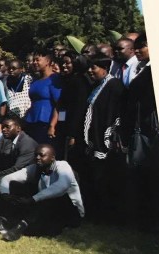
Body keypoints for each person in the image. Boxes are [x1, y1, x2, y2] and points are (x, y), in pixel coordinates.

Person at [0, 144, 83, 242]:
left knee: (50, 198)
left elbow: (61, 187)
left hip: (69, 212)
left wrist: (33, 199)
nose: (37, 158)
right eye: (36, 155)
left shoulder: (63, 166)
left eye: (42, 155)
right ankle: (1, 222)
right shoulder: (35, 168)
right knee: (14, 185)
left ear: (52, 157)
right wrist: (6, 195)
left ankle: (20, 227)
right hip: (43, 207)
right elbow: (7, 179)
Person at [120, 32, 159, 231]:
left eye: (142, 46)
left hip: (150, 128)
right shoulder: (142, 69)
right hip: (140, 128)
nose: (137, 50)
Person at [81, 53, 125, 222]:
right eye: (89, 67)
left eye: (94, 67)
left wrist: (109, 137)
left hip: (105, 140)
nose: (90, 71)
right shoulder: (98, 86)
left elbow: (116, 115)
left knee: (104, 177)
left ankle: (106, 215)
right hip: (95, 139)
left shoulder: (114, 86)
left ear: (105, 68)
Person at [0, 117, 38, 214]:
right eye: (3, 127)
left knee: (1, 180)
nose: (4, 129)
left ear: (18, 128)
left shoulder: (26, 143)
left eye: (7, 127)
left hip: (31, 179)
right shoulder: (13, 140)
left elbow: (17, 168)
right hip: (19, 173)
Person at [53, 51, 91, 162]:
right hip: (65, 126)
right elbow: (63, 107)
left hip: (76, 129)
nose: (64, 66)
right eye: (62, 63)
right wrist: (60, 123)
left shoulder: (80, 82)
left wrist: (72, 134)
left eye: (67, 63)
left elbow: (79, 109)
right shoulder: (68, 80)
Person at [24, 51, 62, 144]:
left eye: (38, 60)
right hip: (32, 121)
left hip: (46, 122)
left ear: (48, 61)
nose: (34, 62)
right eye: (33, 60)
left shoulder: (54, 79)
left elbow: (59, 104)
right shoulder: (36, 80)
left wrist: (53, 125)